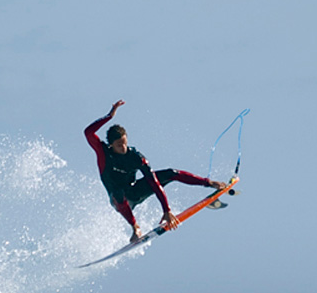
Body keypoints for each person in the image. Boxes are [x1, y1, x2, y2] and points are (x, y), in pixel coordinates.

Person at [85, 100, 226, 242]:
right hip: (118, 200)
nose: (124, 148)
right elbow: (88, 132)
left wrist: (167, 210)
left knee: (171, 173)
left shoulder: (136, 158)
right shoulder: (103, 152)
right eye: (119, 145)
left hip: (134, 192)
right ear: (111, 145)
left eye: (125, 143)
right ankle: (135, 228)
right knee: (118, 193)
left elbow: (154, 183)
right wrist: (110, 116)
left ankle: (209, 183)